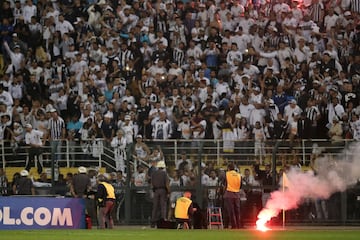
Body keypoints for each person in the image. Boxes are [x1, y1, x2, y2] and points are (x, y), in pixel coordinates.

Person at [151, 160, 170, 227]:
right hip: (163, 190)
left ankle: (153, 222)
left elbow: (152, 183)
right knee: (163, 206)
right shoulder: (164, 173)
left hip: (156, 191)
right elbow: (167, 184)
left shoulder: (154, 173)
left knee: (155, 207)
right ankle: (163, 221)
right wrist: (168, 192)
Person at [223, 163, 241, 229]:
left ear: (228, 168)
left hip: (229, 193)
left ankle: (234, 226)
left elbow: (224, 183)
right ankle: (238, 225)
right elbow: (240, 185)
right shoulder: (239, 175)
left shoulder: (227, 174)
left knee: (231, 211)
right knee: (237, 211)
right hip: (237, 194)